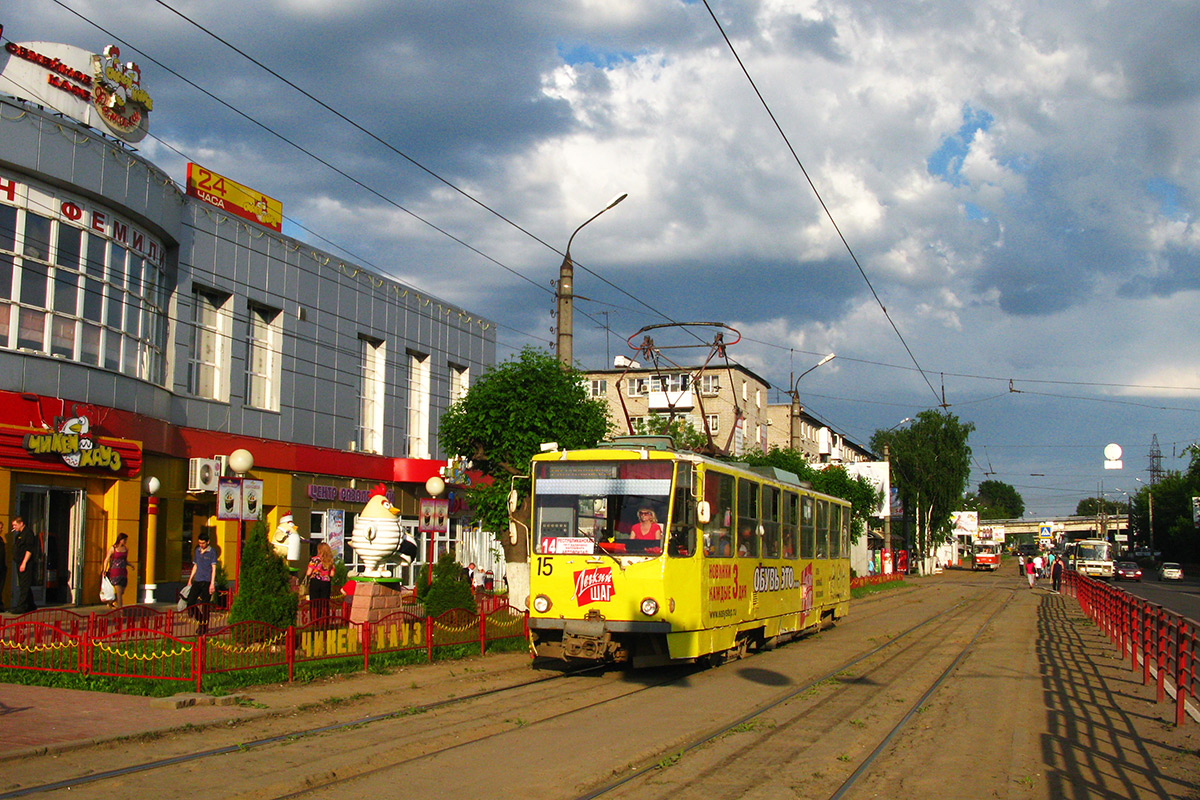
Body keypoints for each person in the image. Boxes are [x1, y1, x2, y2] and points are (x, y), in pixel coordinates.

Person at [185, 531, 218, 634]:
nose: (201, 545)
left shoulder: (212, 552)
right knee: (190, 601)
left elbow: (213, 568)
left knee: (205, 605)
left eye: (203, 543)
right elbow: (195, 565)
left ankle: (203, 627)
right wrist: (190, 579)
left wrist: (212, 583)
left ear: (208, 542)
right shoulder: (197, 551)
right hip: (198, 580)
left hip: (207, 581)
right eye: (199, 543)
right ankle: (201, 620)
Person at [11, 517, 37, 614]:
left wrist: (24, 563)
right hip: (19, 563)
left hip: (25, 563)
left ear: (21, 523)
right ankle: (31, 605)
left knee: (24, 585)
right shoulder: (19, 534)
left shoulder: (28, 533)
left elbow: (29, 549)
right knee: (24, 584)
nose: (14, 527)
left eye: (15, 525)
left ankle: (21, 607)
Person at [305, 542, 335, 622]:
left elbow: (308, 573)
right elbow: (332, 574)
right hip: (326, 583)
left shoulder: (314, 559)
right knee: (324, 602)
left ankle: (315, 621)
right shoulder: (330, 560)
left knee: (315, 602)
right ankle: (325, 621)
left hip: (315, 582)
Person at [102, 533, 130, 608]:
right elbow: (107, 559)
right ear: (120, 540)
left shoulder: (126, 549)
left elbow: (124, 560)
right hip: (115, 572)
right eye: (124, 540)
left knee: (121, 592)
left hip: (123, 572)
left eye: (126, 540)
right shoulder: (113, 548)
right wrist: (104, 570)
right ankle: (120, 610)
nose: (125, 541)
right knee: (119, 591)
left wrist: (130, 565)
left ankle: (110, 601)